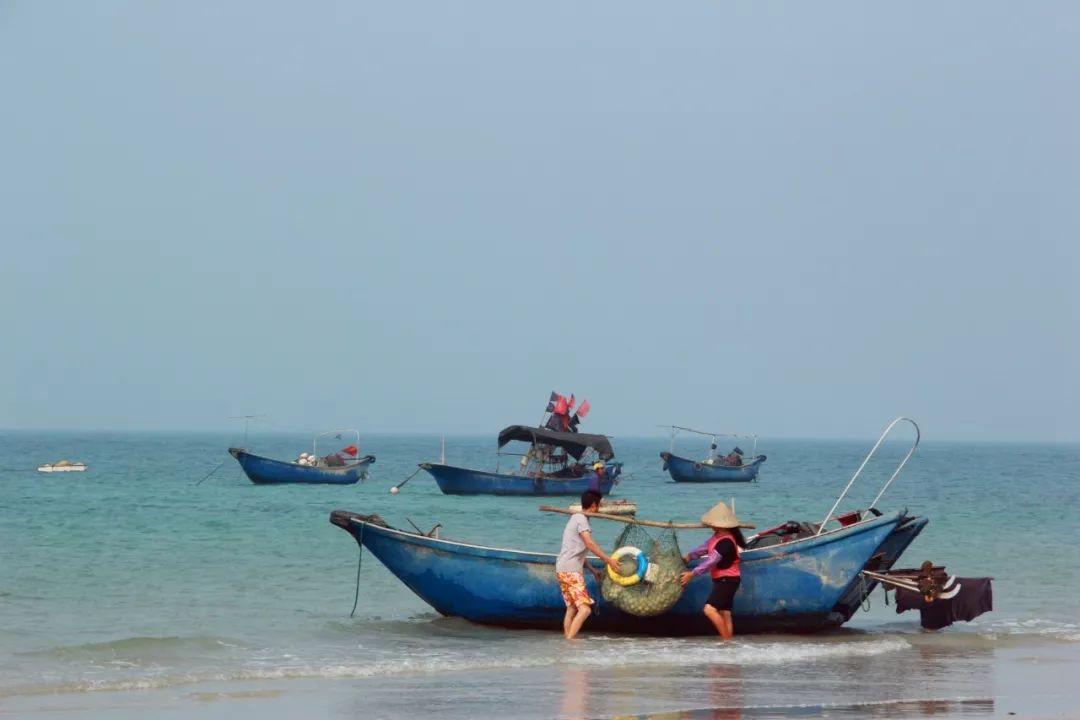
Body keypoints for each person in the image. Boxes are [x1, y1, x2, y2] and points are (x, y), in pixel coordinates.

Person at [556, 490, 620, 640]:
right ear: (593, 505)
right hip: (571, 571)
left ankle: (567, 641)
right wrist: (609, 560)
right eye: (599, 505)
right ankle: (570, 643)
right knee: (585, 610)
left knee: (571, 608)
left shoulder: (575, 518)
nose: (599, 508)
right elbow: (589, 543)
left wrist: (592, 570)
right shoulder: (581, 520)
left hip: (562, 569)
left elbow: (578, 550)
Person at [680, 501, 749, 640]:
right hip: (724, 580)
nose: (711, 526)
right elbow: (704, 548)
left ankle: (725, 641)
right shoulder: (717, 537)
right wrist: (690, 556)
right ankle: (728, 646)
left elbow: (712, 561)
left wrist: (692, 573)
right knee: (725, 613)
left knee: (709, 610)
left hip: (727, 580)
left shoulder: (726, 542)